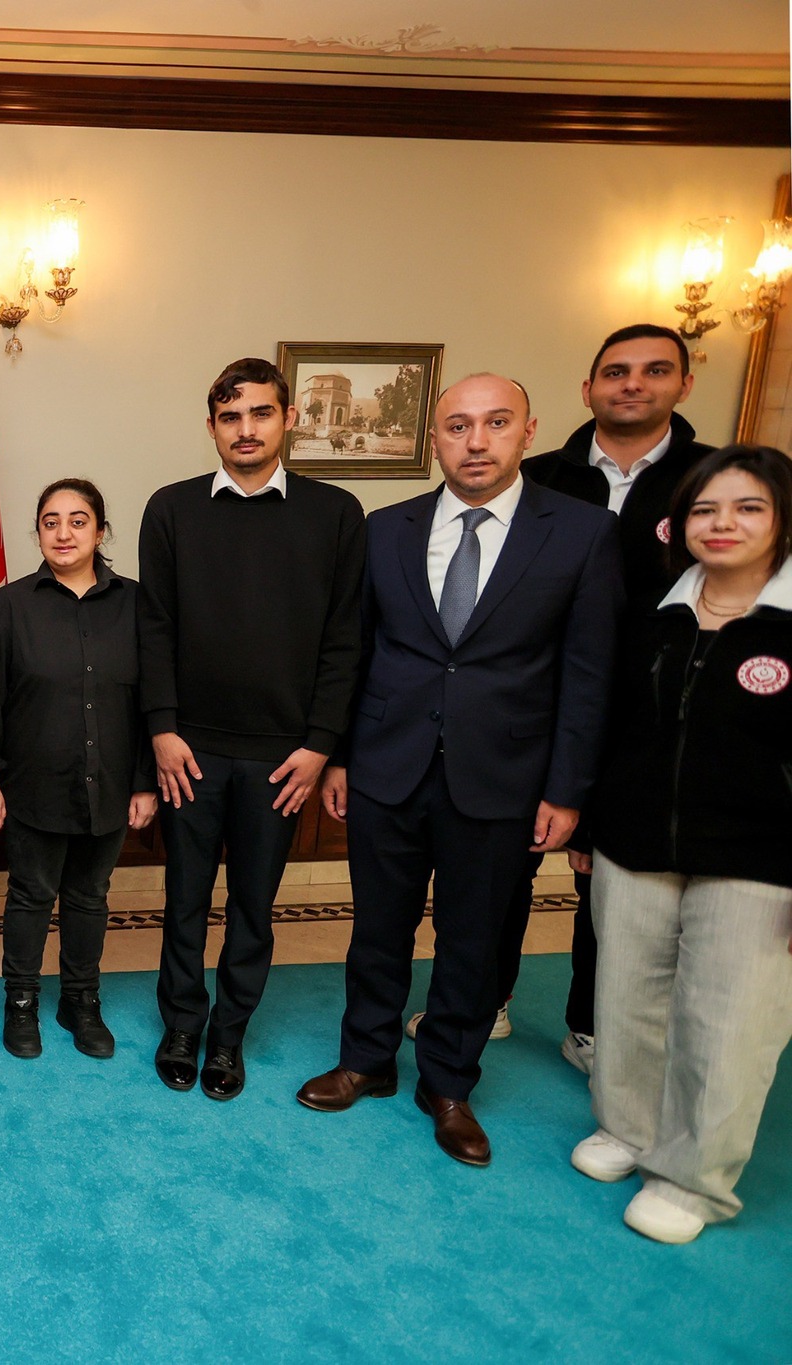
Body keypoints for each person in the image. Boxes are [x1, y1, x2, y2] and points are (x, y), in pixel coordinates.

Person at [299, 374, 622, 1167]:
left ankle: (448, 1082)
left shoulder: (582, 533)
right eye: (458, 426)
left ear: (528, 431)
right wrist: (339, 755)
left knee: (473, 939)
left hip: (505, 775)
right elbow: (354, 650)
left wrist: (568, 790)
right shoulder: (387, 528)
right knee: (377, 928)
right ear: (434, 438)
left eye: (496, 423)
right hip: (387, 766)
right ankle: (366, 1059)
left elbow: (589, 674)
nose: (476, 441)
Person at [565, 445, 792, 1244]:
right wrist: (591, 825)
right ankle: (627, 1127)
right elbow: (611, 726)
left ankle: (694, 1177)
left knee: (728, 1019)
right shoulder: (654, 613)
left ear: (782, 521)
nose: (723, 523)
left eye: (748, 507)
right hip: (634, 842)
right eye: (705, 509)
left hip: (760, 860)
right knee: (627, 995)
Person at [483, 323, 716, 1073]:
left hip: (652, 718)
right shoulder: (535, 478)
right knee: (502, 871)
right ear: (587, 389)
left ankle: (590, 1024)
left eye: (655, 370)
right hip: (534, 709)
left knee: (612, 885)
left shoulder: (714, 481)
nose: (633, 384)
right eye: (616, 372)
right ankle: (487, 999)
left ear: (684, 384)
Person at [137, 358, 365, 1100]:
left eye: (261, 413)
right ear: (211, 426)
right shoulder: (171, 509)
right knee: (184, 900)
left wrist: (321, 744)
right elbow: (155, 628)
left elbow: (345, 640)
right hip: (190, 750)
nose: (246, 429)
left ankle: (229, 1034)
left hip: (283, 757)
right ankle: (181, 1024)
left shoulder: (336, 513)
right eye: (230, 417)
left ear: (288, 418)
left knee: (252, 908)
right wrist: (162, 728)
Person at [0, 479, 158, 1060]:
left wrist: (145, 782)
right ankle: (21, 1000)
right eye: (50, 522)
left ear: (101, 532)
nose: (64, 532)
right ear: (38, 534)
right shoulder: (11, 604)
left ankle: (80, 1000)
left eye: (78, 521)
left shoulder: (135, 602)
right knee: (31, 894)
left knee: (90, 895)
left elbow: (150, 699)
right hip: (34, 781)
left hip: (112, 779)